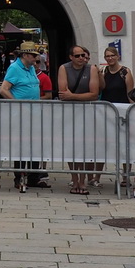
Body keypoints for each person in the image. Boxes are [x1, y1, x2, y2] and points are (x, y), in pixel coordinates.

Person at [55, 45, 102, 193]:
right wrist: (79, 96)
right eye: (77, 56)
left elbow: (94, 93)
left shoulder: (91, 69)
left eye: (83, 55)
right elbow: (63, 92)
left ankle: (83, 181)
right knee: (72, 147)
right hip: (69, 113)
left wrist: (73, 96)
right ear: (71, 57)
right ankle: (74, 179)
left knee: (85, 147)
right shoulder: (64, 68)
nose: (81, 58)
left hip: (87, 112)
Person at [0, 41, 43, 193]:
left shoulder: (30, 68)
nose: (36, 58)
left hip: (34, 113)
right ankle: (19, 177)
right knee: (21, 146)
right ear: (25, 55)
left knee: (34, 145)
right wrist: (17, 103)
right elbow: (3, 90)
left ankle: (33, 176)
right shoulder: (15, 68)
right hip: (21, 114)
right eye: (33, 55)